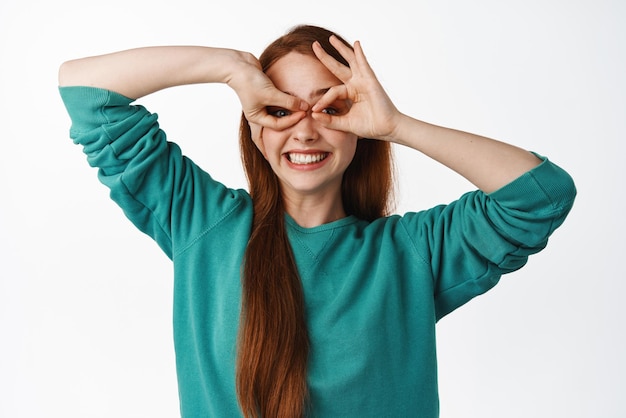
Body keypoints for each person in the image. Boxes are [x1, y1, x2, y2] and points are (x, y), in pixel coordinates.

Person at [58, 25, 576, 418]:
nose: (305, 130)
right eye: (280, 110)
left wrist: (397, 125)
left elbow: (541, 196)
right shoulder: (203, 223)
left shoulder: (412, 252)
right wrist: (231, 67)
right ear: (256, 132)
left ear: (359, 129)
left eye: (330, 110)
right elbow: (85, 90)